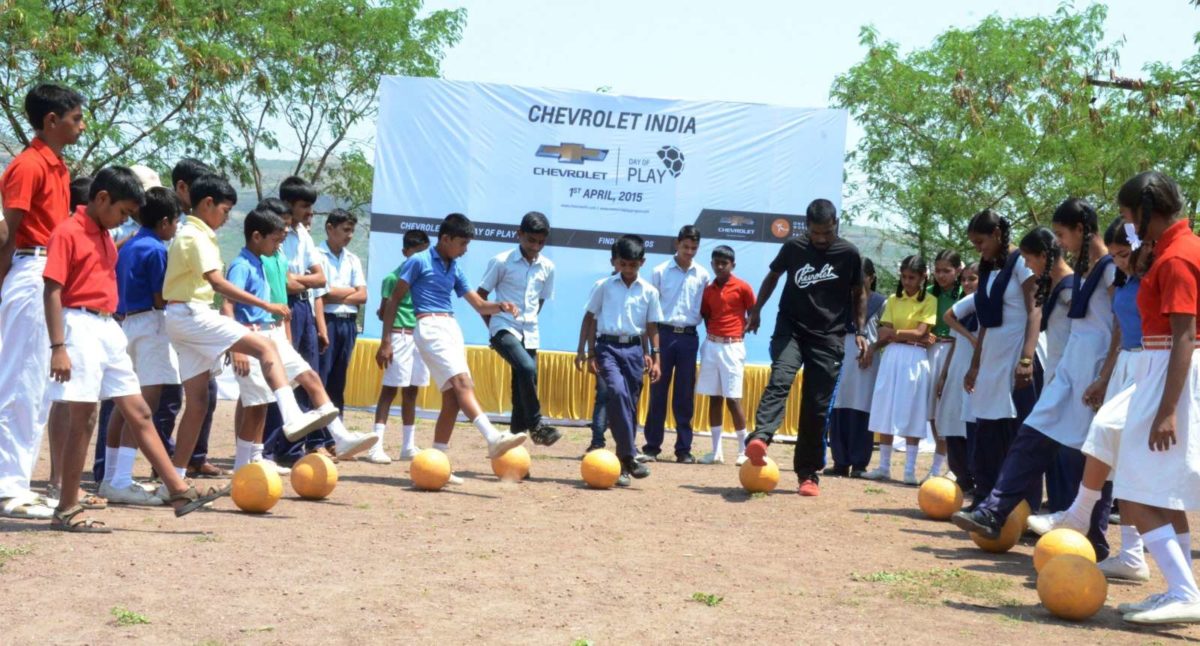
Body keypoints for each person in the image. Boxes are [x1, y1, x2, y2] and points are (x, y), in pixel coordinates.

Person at [43, 166, 228, 532]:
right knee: (84, 418)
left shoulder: (105, 234)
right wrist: (58, 345)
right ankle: (66, 507)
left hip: (109, 325)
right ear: (101, 199)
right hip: (77, 324)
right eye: (123, 212)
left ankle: (177, 491)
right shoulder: (67, 232)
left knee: (140, 411)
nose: (124, 220)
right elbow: (52, 288)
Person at [954, 202, 1116, 563]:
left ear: (1081, 227)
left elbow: (1119, 327)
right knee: (1029, 437)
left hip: (1092, 378)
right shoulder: (1088, 273)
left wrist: (1106, 377)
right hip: (1068, 376)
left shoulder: (1106, 271)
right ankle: (993, 510)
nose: (1062, 243)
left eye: (1062, 234)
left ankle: (1096, 546)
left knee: (1089, 461)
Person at [162, 173, 335, 477]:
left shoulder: (192, 233)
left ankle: (174, 480)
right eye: (225, 211)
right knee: (265, 347)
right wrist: (265, 305)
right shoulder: (195, 236)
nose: (227, 218)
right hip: (192, 313)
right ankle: (292, 415)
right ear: (207, 203)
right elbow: (217, 283)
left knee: (199, 402)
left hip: (183, 316)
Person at [1028, 220, 1149, 582]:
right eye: (1113, 255)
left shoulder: (1155, 277)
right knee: (1119, 459)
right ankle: (1131, 554)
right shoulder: (1125, 278)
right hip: (1127, 363)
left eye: (1124, 254)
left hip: (1151, 365)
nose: (1118, 261)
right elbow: (1118, 327)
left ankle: (1079, 514)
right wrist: (1108, 374)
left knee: (1107, 437)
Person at [1103, 171, 1200, 624]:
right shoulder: (1173, 250)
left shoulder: (1179, 257)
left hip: (1168, 372)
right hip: (1161, 370)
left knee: (1135, 488)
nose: (1126, 224)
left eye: (1127, 214)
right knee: (1161, 493)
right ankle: (1180, 590)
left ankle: (1184, 591)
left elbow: (1184, 336)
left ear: (1145, 211)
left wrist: (1166, 411)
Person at [376, 213, 528, 483]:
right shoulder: (418, 261)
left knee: (453, 399)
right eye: (462, 243)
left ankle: (438, 465)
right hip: (429, 326)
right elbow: (394, 301)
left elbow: (480, 305)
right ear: (445, 239)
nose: (465, 249)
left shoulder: (454, 267)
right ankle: (492, 437)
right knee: (462, 383)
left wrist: (501, 305)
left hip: (450, 327)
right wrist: (386, 340)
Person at [224, 209, 375, 470]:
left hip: (274, 334)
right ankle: (245, 463)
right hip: (250, 337)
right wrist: (236, 347)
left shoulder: (263, 260)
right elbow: (227, 303)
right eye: (276, 240)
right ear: (257, 237)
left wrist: (284, 332)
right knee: (257, 404)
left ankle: (340, 437)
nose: (279, 246)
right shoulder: (241, 265)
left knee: (310, 376)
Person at [0, 83, 85, 520]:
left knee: (40, 390)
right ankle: (7, 487)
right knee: (20, 384)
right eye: (75, 118)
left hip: (48, 273)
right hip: (29, 270)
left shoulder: (58, 167)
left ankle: (17, 483)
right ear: (51, 121)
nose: (81, 126)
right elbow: (6, 232)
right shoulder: (28, 165)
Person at [743, 199, 866, 497]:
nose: (821, 239)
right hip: (792, 330)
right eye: (815, 233)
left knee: (816, 406)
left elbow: (859, 292)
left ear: (835, 223)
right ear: (806, 226)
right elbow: (773, 276)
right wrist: (757, 310)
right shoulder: (795, 247)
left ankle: (808, 474)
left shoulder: (848, 253)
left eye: (826, 232)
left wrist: (860, 330)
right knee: (781, 377)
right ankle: (760, 437)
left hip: (829, 336)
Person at [98, 186, 182, 505]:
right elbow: (161, 296)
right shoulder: (158, 249)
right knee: (145, 404)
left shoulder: (130, 243)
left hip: (124, 323)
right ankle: (121, 480)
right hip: (150, 322)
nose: (176, 228)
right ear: (164, 222)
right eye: (175, 221)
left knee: (125, 404)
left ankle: (111, 478)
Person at [958, 209, 1041, 506]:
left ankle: (1021, 507)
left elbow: (1035, 309)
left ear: (996, 234)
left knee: (1016, 435)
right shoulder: (985, 266)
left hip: (1015, 355)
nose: (979, 249)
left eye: (981, 242)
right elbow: (986, 321)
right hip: (991, 358)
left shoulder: (1021, 261)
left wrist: (1027, 359)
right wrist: (975, 364)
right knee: (986, 435)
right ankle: (984, 500)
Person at [575, 235, 663, 486]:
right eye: (623, 264)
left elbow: (652, 326)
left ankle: (623, 464)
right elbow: (589, 318)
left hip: (635, 351)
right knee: (616, 392)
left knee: (631, 405)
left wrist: (656, 358)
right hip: (608, 347)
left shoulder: (649, 292)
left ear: (642, 263)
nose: (627, 270)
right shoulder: (604, 285)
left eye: (633, 265)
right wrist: (586, 351)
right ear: (616, 263)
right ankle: (630, 455)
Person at [477, 211, 560, 446]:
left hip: (530, 331)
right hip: (503, 327)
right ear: (519, 234)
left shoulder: (548, 267)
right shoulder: (502, 261)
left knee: (521, 389)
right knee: (526, 368)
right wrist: (493, 328)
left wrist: (529, 319)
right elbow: (481, 296)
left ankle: (515, 454)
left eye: (541, 242)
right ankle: (536, 424)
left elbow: (540, 300)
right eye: (531, 240)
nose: (535, 246)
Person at [268, 176, 329, 465]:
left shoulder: (303, 234)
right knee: (280, 380)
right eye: (305, 206)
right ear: (289, 204)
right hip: (282, 307)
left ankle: (296, 446)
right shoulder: (272, 232)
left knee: (307, 377)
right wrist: (296, 281)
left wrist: (297, 280)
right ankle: (273, 447)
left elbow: (319, 278)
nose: (310, 213)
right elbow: (283, 282)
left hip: (303, 309)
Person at [863, 256, 936, 485]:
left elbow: (921, 333)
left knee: (912, 408)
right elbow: (884, 331)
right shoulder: (894, 299)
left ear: (923, 277)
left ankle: (909, 470)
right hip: (892, 356)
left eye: (912, 277)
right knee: (887, 405)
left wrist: (898, 333)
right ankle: (884, 466)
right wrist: (906, 334)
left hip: (915, 356)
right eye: (904, 277)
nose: (907, 282)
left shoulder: (929, 300)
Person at [642, 225, 710, 463]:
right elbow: (651, 309)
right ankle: (651, 446)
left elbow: (705, 308)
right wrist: (652, 345)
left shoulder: (702, 275)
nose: (689, 252)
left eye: (693, 248)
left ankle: (683, 448)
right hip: (664, 335)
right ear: (676, 244)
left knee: (684, 395)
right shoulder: (660, 271)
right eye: (685, 247)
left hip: (689, 337)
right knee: (658, 391)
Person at [371, 229, 431, 464]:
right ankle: (376, 446)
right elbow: (385, 310)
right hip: (399, 336)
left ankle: (407, 445)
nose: (420, 258)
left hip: (419, 336)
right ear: (405, 252)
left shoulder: (425, 279)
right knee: (389, 390)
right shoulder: (392, 278)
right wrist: (386, 341)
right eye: (416, 253)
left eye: (424, 253)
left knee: (412, 391)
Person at [825, 258, 886, 478]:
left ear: (872, 277)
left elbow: (886, 334)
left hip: (867, 359)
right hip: (843, 354)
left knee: (862, 408)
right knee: (840, 408)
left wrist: (871, 349)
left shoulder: (880, 302)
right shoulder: (842, 300)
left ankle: (859, 462)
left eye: (862, 276)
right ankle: (840, 461)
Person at [696, 245, 755, 466]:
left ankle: (743, 450)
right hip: (711, 345)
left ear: (733, 265)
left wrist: (742, 331)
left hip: (732, 347)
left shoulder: (742, 287)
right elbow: (706, 314)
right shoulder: (709, 290)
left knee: (733, 399)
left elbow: (753, 313)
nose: (720, 266)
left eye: (725, 263)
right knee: (714, 398)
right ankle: (716, 452)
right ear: (711, 263)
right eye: (716, 262)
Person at [315, 208, 368, 449]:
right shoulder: (317, 255)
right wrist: (347, 292)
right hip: (326, 321)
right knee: (321, 380)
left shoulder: (353, 258)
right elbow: (321, 294)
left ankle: (335, 438)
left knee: (338, 381)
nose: (349, 236)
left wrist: (336, 294)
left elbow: (363, 295)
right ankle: (315, 437)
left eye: (351, 231)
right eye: (345, 230)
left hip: (348, 324)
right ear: (330, 228)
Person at [939, 263, 981, 493]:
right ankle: (961, 473)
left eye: (972, 279)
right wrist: (944, 374)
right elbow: (954, 344)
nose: (967, 284)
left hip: (975, 368)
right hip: (957, 366)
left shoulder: (987, 306)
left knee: (972, 422)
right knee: (953, 419)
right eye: (964, 279)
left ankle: (977, 474)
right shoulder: (960, 308)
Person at [924, 249, 964, 480]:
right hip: (931, 351)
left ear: (957, 270)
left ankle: (953, 466)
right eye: (938, 270)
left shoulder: (963, 294)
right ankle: (937, 464)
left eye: (946, 271)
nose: (941, 275)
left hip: (954, 350)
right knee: (932, 409)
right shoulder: (928, 293)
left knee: (949, 407)